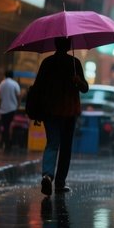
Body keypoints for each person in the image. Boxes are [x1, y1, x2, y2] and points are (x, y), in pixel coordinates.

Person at [31, 36, 89, 196]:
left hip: (50, 111)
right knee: (65, 147)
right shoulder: (74, 63)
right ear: (69, 45)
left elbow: (38, 88)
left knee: (52, 143)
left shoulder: (47, 62)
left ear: (55, 45)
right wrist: (78, 81)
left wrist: (38, 111)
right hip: (69, 112)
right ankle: (60, 183)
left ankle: (47, 175)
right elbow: (85, 88)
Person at [0, 69, 21, 152]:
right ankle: (10, 142)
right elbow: (18, 96)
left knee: (5, 127)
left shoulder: (1, 84)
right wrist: (18, 105)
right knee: (11, 126)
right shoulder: (15, 84)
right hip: (12, 109)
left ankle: (5, 143)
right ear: (12, 75)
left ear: (5, 75)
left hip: (3, 109)